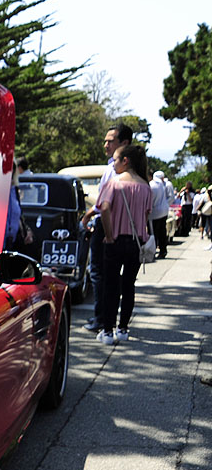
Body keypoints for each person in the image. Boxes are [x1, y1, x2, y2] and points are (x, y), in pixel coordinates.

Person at [95, 143, 151, 346]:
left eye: (116, 160)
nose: (113, 164)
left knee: (110, 286)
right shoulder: (145, 186)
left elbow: (105, 208)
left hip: (115, 241)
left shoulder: (114, 183)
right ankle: (123, 328)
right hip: (136, 243)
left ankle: (107, 331)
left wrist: (109, 235)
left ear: (125, 161)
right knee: (128, 285)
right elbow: (146, 215)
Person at [80, 123, 133, 333]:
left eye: (110, 141)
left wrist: (88, 215)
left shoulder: (115, 170)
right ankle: (110, 320)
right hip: (123, 227)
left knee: (99, 273)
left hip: (107, 223)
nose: (106, 145)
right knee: (115, 277)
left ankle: (101, 318)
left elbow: (104, 202)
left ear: (124, 143)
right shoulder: (131, 170)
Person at [149, 171, 171, 259]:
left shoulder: (152, 185)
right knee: (162, 232)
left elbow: (151, 200)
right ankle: (163, 250)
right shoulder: (162, 185)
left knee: (153, 233)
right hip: (164, 211)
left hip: (154, 213)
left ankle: (152, 251)